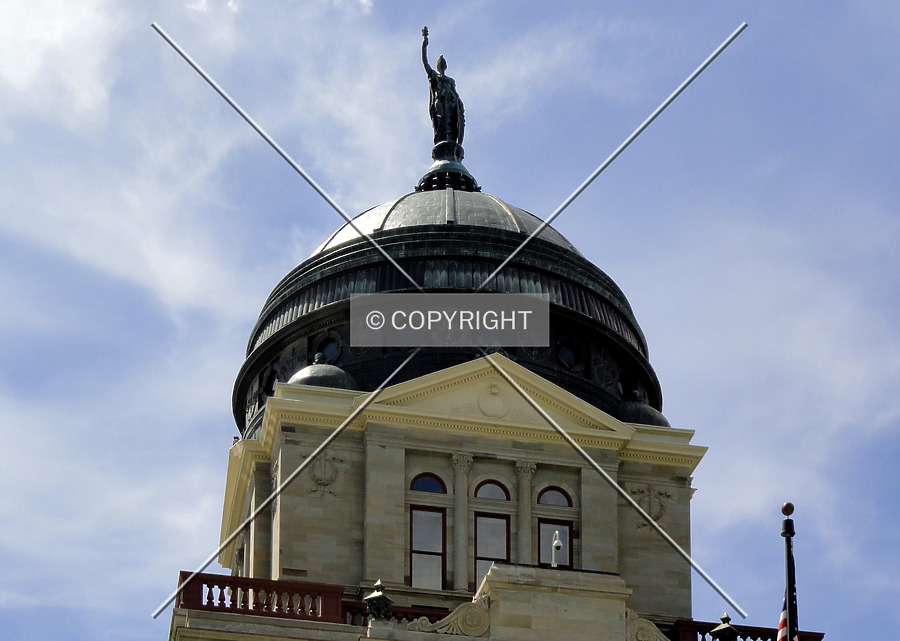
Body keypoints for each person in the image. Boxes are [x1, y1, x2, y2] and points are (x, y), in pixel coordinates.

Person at [422, 26, 465, 146]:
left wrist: (459, 104)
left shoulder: (450, 80)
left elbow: (455, 94)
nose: (442, 64)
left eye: (443, 63)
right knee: (441, 122)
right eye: (440, 63)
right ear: (438, 66)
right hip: (440, 104)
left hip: (451, 104)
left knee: (451, 123)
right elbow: (425, 63)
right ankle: (442, 141)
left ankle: (451, 141)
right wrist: (424, 46)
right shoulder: (435, 77)